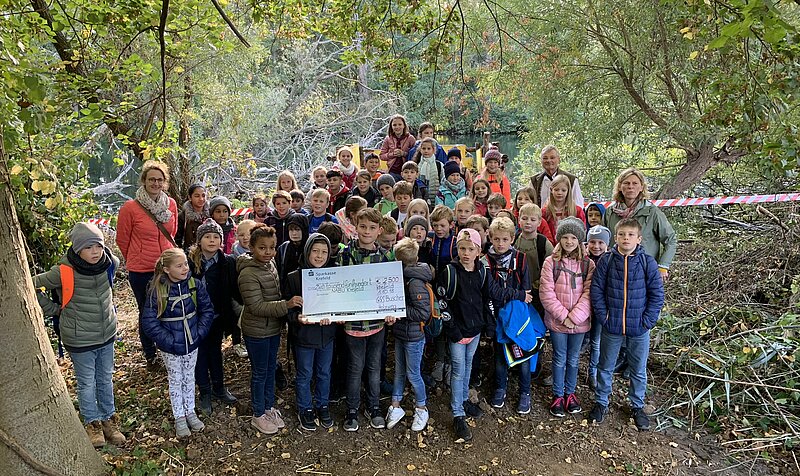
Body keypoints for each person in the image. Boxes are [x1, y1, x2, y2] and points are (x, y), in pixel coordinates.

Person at [34, 222, 125, 447]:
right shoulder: (63, 271)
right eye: (88, 247)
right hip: (80, 338)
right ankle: (92, 424)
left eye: (99, 246)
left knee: (105, 379)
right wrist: (55, 310)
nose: (95, 252)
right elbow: (32, 285)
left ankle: (109, 421)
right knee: (86, 383)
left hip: (107, 334)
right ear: (77, 249)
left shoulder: (110, 263)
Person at [437, 229, 532, 442]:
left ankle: (464, 400)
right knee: (458, 370)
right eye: (462, 248)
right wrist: (454, 332)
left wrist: (519, 294)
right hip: (457, 332)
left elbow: (494, 293)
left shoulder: (481, 270)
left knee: (468, 366)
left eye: (471, 249)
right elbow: (442, 304)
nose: (466, 253)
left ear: (479, 251)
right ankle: (457, 413)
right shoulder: (450, 272)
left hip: (475, 330)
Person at [589, 218, 664, 431]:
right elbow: (597, 290)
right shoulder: (606, 261)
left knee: (638, 369)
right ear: (616, 237)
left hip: (639, 328)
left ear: (639, 239)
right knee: (605, 366)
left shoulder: (647, 263)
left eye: (631, 235)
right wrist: (604, 316)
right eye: (622, 234)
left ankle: (637, 405)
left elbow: (657, 295)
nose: (626, 238)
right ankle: (601, 402)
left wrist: (647, 321)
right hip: (611, 325)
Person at [141, 248, 215, 437]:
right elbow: (149, 322)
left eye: (186, 264)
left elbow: (207, 310)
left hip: (192, 341)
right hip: (170, 347)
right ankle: (179, 418)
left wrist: (199, 333)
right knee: (175, 379)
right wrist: (169, 341)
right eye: (179, 265)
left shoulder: (194, 285)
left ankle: (190, 412)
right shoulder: (157, 290)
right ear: (167, 269)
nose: (185, 268)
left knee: (189, 377)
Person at [237, 223, 302, 434]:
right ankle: (258, 414)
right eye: (262, 248)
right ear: (252, 248)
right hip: (257, 332)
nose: (268, 252)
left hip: (272, 328)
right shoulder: (247, 274)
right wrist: (287, 305)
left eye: (272, 247)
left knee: (270, 369)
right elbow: (256, 306)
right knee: (260, 372)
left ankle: (268, 407)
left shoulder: (270, 264)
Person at [116, 160, 178, 369]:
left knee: (168, 308)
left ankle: (168, 348)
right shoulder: (130, 208)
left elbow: (172, 232)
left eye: (160, 180)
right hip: (141, 270)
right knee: (147, 311)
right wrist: (136, 257)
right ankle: (150, 354)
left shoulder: (171, 204)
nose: (155, 183)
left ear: (165, 182)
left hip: (167, 267)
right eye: (152, 179)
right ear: (144, 180)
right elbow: (122, 239)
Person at [338, 208, 396, 431]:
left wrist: (391, 311)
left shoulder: (385, 258)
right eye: (363, 226)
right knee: (355, 368)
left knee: (374, 367)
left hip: (377, 325)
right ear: (355, 226)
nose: (367, 231)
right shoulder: (345, 255)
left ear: (379, 230)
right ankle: (352, 409)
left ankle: (374, 407)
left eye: (372, 228)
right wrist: (338, 312)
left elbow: (391, 290)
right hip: (353, 325)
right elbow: (338, 288)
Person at [540, 218, 594, 417]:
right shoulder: (551, 262)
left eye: (573, 237)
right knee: (559, 358)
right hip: (558, 321)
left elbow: (589, 293)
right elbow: (546, 293)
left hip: (580, 322)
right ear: (559, 239)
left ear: (579, 240)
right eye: (565, 237)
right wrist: (564, 317)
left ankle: (570, 393)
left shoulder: (588, 264)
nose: (569, 241)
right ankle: (558, 395)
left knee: (573, 359)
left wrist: (575, 317)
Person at [188, 219, 241, 415]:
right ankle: (205, 391)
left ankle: (219, 387)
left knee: (215, 352)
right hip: (196, 318)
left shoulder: (227, 262)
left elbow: (233, 290)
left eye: (216, 237)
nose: (212, 240)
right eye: (207, 237)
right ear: (199, 240)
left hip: (218, 316)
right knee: (200, 354)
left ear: (221, 240)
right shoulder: (189, 262)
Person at [284, 233, 337, 431]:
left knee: (324, 372)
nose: (319, 256)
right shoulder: (294, 277)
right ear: (307, 252)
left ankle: (322, 405)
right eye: (315, 251)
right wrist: (296, 317)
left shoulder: (334, 275)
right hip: (304, 336)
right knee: (305, 373)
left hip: (326, 335)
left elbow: (340, 304)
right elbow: (286, 309)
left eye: (324, 252)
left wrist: (335, 316)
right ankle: (305, 408)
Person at [484, 217, 533, 414]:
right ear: (490, 238)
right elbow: (491, 291)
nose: (500, 243)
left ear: (512, 238)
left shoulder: (520, 258)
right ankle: (500, 388)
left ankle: (525, 392)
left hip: (517, 314)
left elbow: (526, 290)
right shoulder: (485, 261)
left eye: (505, 239)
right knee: (500, 354)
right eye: (496, 239)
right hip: (496, 313)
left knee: (523, 353)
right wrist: (517, 294)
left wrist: (518, 296)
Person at [385, 238, 431, 431]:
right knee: (399, 371)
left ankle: (421, 407)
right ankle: (395, 405)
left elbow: (423, 312)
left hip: (414, 336)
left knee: (413, 374)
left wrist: (400, 311)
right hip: (401, 333)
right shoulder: (401, 279)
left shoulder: (414, 282)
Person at [604, 168, 677, 281]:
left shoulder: (652, 212)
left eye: (635, 183)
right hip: (615, 271)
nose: (630, 187)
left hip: (645, 272)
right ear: (619, 187)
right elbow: (602, 240)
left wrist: (663, 266)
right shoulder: (610, 212)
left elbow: (670, 239)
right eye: (626, 183)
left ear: (641, 187)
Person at [585, 225, 610, 389]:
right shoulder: (582, 259)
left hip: (600, 308)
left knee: (596, 342)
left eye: (601, 243)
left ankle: (593, 372)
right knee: (578, 341)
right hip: (582, 307)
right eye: (592, 242)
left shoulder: (610, 260)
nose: (596, 246)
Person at [542, 175, 586, 244]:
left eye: (563, 190)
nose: (559, 193)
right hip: (551, 247)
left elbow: (583, 231)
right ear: (551, 190)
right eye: (556, 190)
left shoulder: (577, 211)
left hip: (572, 246)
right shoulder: (545, 211)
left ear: (568, 191)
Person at [276, 214, 310, 288]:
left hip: (307, 287)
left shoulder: (310, 247)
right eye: (291, 230)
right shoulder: (283, 248)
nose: (294, 233)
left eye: (297, 229)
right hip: (286, 288)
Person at [380, 114, 416, 179]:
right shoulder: (388, 138)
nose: (397, 127)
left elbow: (415, 155)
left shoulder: (410, 138)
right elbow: (382, 156)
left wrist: (403, 154)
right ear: (391, 126)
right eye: (394, 125)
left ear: (404, 125)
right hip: (392, 171)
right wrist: (392, 154)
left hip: (408, 172)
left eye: (400, 124)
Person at [412, 137, 444, 209]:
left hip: (436, 198)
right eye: (424, 148)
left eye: (429, 149)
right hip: (420, 198)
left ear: (433, 150)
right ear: (420, 149)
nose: (426, 151)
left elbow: (443, 181)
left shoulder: (439, 165)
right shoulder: (416, 165)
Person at [175, 184, 209, 250]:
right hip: (189, 252)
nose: (201, 199)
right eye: (197, 196)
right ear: (190, 197)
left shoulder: (211, 214)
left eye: (203, 195)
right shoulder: (183, 216)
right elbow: (177, 239)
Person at [429, 205, 457, 273]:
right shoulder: (429, 238)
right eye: (435, 225)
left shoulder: (455, 242)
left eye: (442, 226)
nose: (439, 229)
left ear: (451, 225)